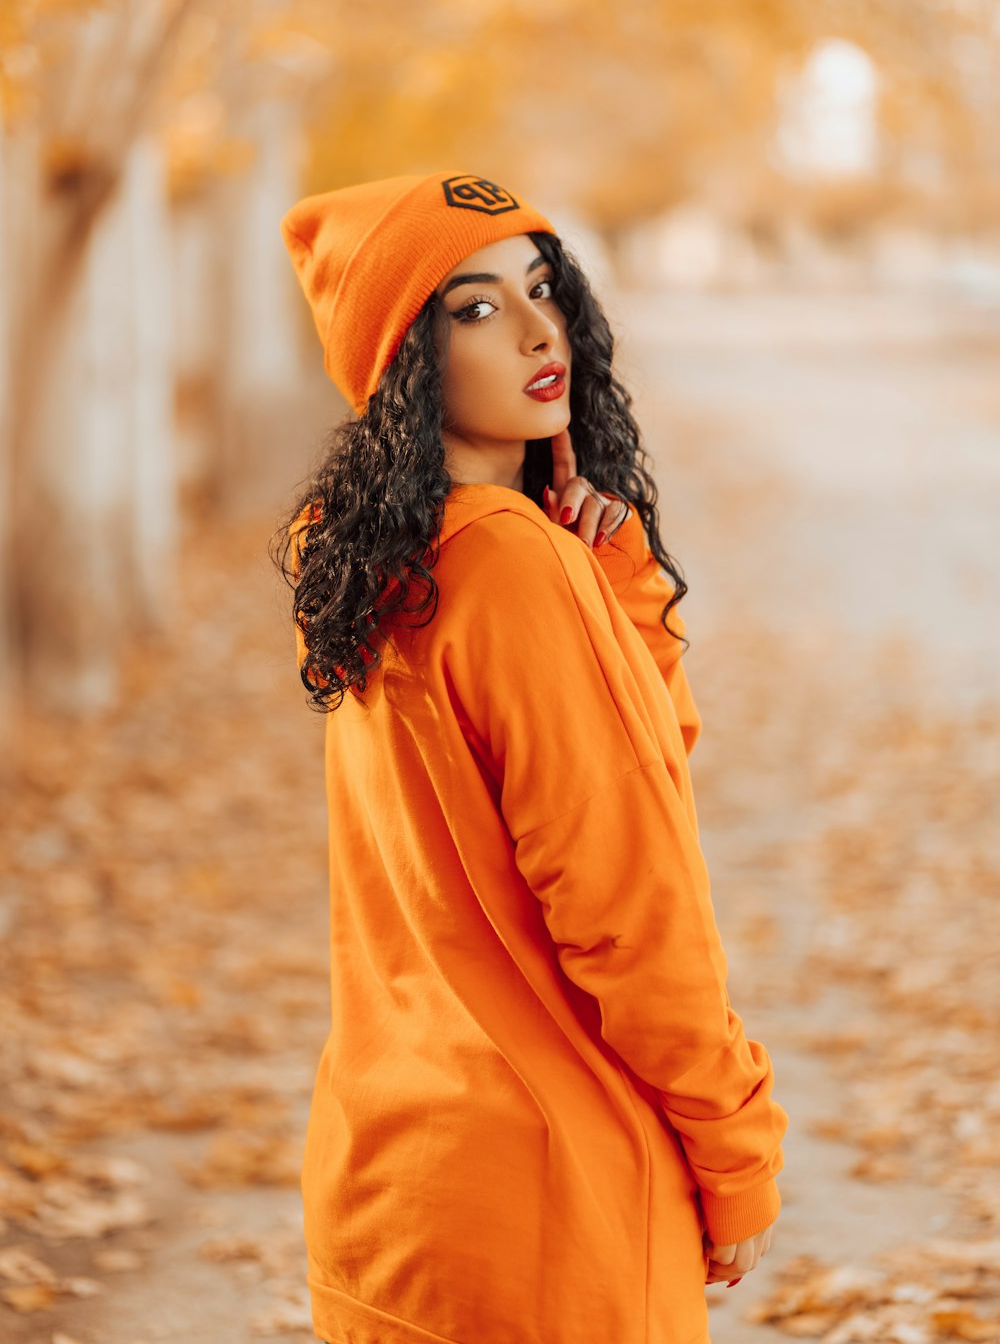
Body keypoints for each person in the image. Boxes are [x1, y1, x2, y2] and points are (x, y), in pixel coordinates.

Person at [271, 170, 788, 1344]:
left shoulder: (362, 560)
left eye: (541, 288)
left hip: (387, 1184)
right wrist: (736, 1145)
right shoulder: (510, 568)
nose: (538, 330)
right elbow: (625, 901)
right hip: (550, 1203)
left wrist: (614, 580)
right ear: (401, 356)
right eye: (473, 307)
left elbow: (642, 754)